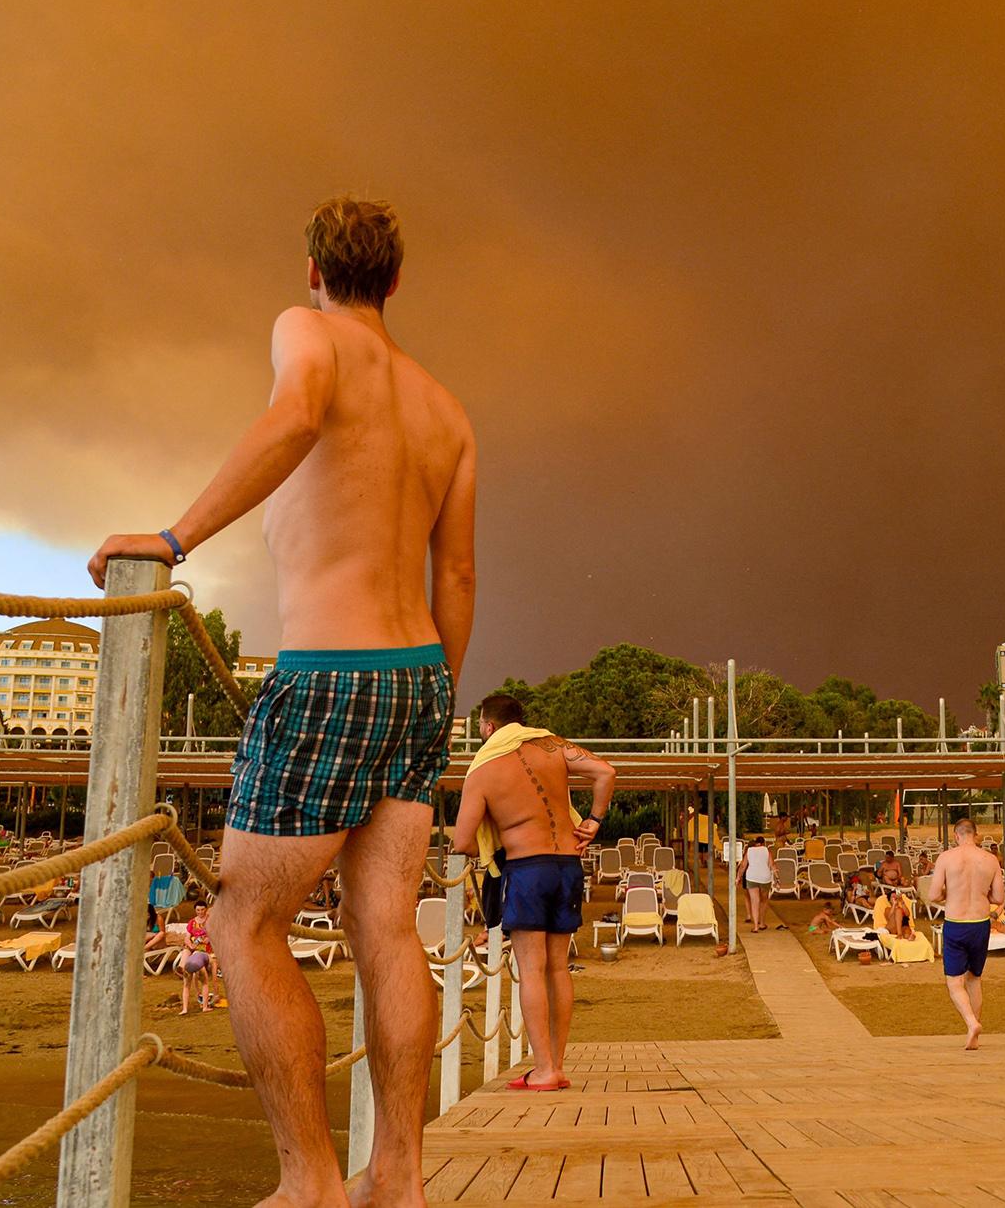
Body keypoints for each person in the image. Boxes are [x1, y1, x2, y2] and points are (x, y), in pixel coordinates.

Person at [89, 197, 476, 1208]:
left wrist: (172, 542)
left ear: (315, 272)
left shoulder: (305, 332)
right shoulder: (447, 409)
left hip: (330, 669)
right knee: (388, 927)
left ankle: (306, 1182)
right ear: (394, 281)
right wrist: (435, 701)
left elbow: (299, 413)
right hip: (419, 678)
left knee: (245, 921)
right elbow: (460, 581)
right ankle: (399, 1178)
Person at [452, 693, 615, 1093]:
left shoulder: (483, 769)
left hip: (527, 868)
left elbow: (461, 840)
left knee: (531, 969)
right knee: (557, 967)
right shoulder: (552, 745)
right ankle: (556, 1065)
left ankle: (543, 1070)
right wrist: (593, 821)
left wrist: (489, 848)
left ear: (488, 728)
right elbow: (606, 772)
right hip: (567, 866)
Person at [924, 818, 1005, 1049]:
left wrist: (950, 893)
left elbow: (932, 894)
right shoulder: (989, 860)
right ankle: (975, 1034)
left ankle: (971, 1023)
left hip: (956, 922)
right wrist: (981, 895)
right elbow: (999, 898)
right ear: (975, 835)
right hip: (979, 923)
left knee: (954, 982)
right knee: (974, 978)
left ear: (956, 835)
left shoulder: (946, 858)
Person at [179, 902, 218, 1015]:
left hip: (200, 953)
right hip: (196, 953)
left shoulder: (211, 921)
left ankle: (185, 1009)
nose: (200, 912)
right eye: (198, 910)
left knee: (186, 985)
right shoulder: (192, 922)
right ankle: (204, 1006)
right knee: (204, 982)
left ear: (206, 909)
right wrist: (191, 944)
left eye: (202, 910)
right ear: (195, 910)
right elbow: (187, 938)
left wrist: (209, 938)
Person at [737, 836, 774, 931]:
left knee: (754, 901)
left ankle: (755, 927)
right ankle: (762, 923)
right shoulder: (767, 851)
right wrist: (777, 878)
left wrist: (738, 877)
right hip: (765, 877)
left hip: (752, 876)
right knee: (764, 900)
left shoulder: (749, 851)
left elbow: (743, 866)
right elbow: (772, 865)